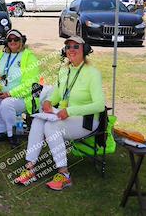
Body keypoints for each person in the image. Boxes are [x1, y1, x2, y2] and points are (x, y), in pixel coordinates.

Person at [15, 37, 105, 191]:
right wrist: (48, 102)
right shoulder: (64, 70)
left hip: (87, 121)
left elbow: (99, 105)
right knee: (37, 121)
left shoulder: (92, 73)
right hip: (65, 115)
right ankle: (30, 169)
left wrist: (70, 111)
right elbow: (57, 94)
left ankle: (64, 175)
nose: (71, 49)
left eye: (76, 46)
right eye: (68, 46)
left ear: (85, 49)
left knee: (51, 127)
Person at [0, 30, 40, 148]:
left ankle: (12, 135)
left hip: (23, 97)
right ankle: (0, 132)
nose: (12, 42)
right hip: (3, 94)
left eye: (16, 39)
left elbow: (31, 83)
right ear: (6, 42)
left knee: (6, 104)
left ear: (22, 41)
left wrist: (10, 93)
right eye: (10, 39)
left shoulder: (29, 57)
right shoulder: (1, 55)